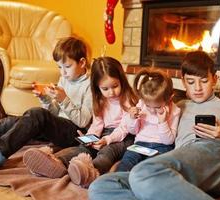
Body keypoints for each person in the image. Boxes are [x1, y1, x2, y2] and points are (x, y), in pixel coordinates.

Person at [88, 51, 220, 200]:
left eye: (204, 81)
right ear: (183, 83)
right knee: (102, 186)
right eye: (191, 82)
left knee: (143, 172)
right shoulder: (178, 106)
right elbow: (149, 109)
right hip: (179, 163)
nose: (198, 88)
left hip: (216, 152)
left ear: (214, 79)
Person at [0, 36, 93, 178]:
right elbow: (55, 112)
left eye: (67, 67)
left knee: (36, 114)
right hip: (59, 126)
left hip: (75, 133)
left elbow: (83, 122)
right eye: (59, 67)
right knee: (11, 122)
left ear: (82, 62)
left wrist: (64, 99)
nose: (62, 72)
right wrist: (45, 98)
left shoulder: (91, 85)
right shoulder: (65, 78)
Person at [22, 56, 138, 187]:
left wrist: (107, 140)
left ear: (122, 80)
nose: (111, 92)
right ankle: (55, 162)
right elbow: (97, 124)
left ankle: (90, 171)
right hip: (105, 132)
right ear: (97, 87)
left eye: (115, 86)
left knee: (106, 152)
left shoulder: (128, 99)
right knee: (83, 148)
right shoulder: (100, 100)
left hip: (123, 137)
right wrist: (90, 137)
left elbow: (125, 128)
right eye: (105, 89)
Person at [102, 69, 181, 171]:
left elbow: (169, 141)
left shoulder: (175, 111)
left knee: (151, 167)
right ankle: (117, 181)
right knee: (126, 162)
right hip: (140, 144)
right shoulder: (142, 104)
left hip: (162, 147)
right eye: (148, 106)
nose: (152, 110)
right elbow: (133, 131)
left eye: (157, 107)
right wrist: (132, 119)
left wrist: (163, 122)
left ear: (170, 98)